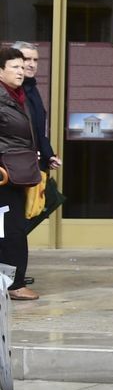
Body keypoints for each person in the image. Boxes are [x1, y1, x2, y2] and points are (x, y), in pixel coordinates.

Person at [0, 47, 43, 301]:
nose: (21, 70)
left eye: (22, 65)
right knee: (10, 230)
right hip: (5, 175)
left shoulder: (18, 95)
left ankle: (11, 281)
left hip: (17, 173)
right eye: (14, 67)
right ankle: (13, 284)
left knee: (12, 228)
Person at [12, 42, 60, 257]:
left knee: (36, 209)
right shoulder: (13, 91)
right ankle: (12, 275)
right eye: (26, 59)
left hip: (33, 163)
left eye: (35, 60)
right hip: (16, 165)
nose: (30, 65)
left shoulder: (32, 89)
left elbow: (39, 129)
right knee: (16, 221)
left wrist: (49, 155)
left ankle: (12, 273)